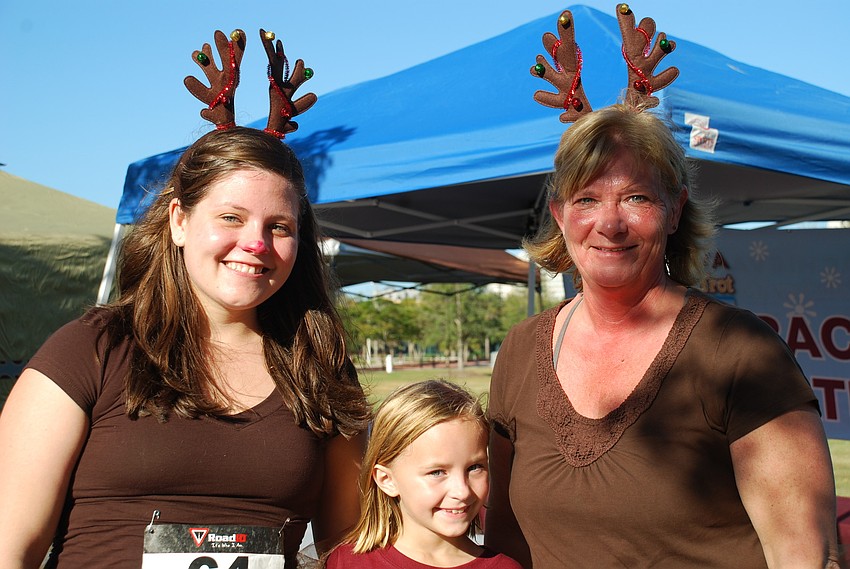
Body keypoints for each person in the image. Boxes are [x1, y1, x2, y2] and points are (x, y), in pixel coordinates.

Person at [484, 104, 839, 568]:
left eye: (636, 198)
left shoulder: (737, 351)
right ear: (560, 215)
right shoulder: (521, 349)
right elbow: (502, 538)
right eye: (586, 199)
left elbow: (807, 555)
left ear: (675, 211)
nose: (609, 224)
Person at [0, 126, 371, 568]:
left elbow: (346, 552)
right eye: (231, 218)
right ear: (179, 220)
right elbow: (10, 547)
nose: (256, 243)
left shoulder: (321, 369)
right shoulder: (91, 349)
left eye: (279, 226)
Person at [324, 380, 522, 569]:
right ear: (387, 480)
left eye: (474, 468)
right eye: (437, 472)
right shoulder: (347, 562)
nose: (462, 491)